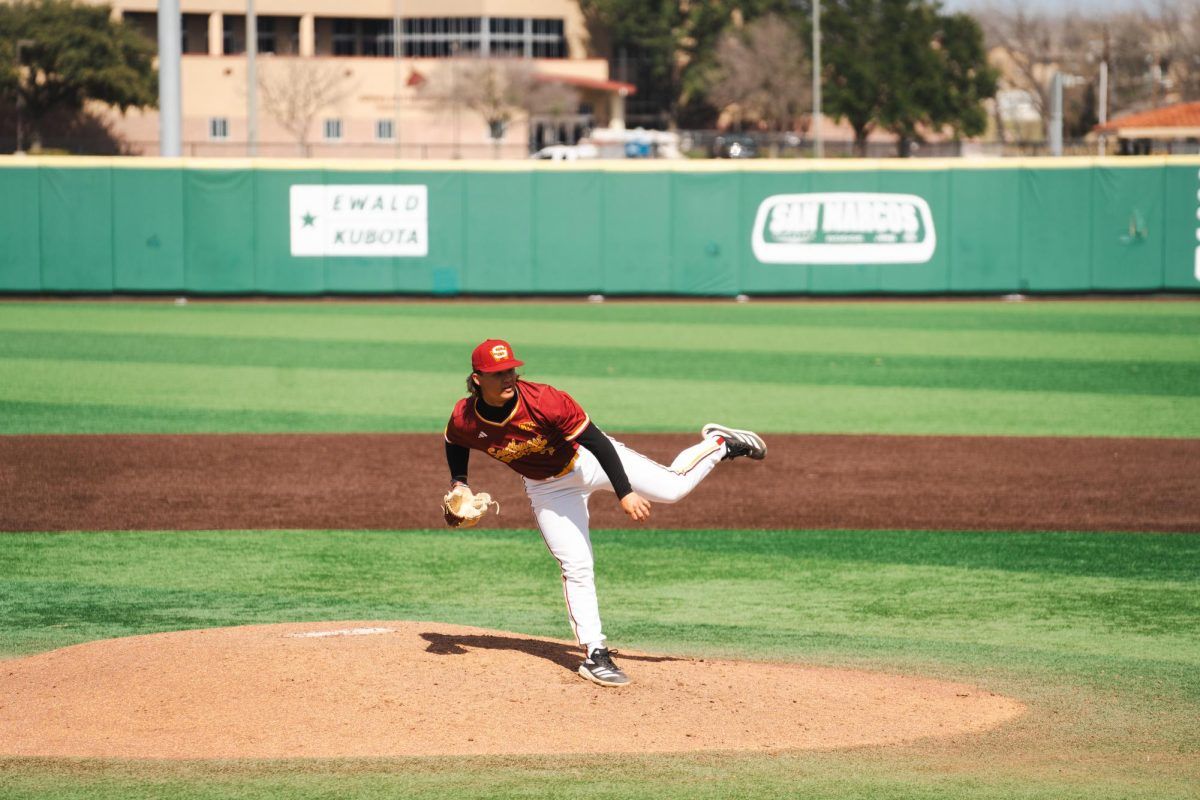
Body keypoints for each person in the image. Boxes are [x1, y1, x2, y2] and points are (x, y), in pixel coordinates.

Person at [443, 339, 766, 687]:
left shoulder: (545, 400)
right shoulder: (465, 417)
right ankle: (595, 654)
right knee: (576, 565)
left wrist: (624, 492)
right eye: (498, 373)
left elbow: (598, 442)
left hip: (589, 461)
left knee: (673, 489)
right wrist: (459, 482)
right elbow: (454, 441)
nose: (508, 378)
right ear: (477, 379)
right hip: (549, 489)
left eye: (511, 370)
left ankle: (718, 444)